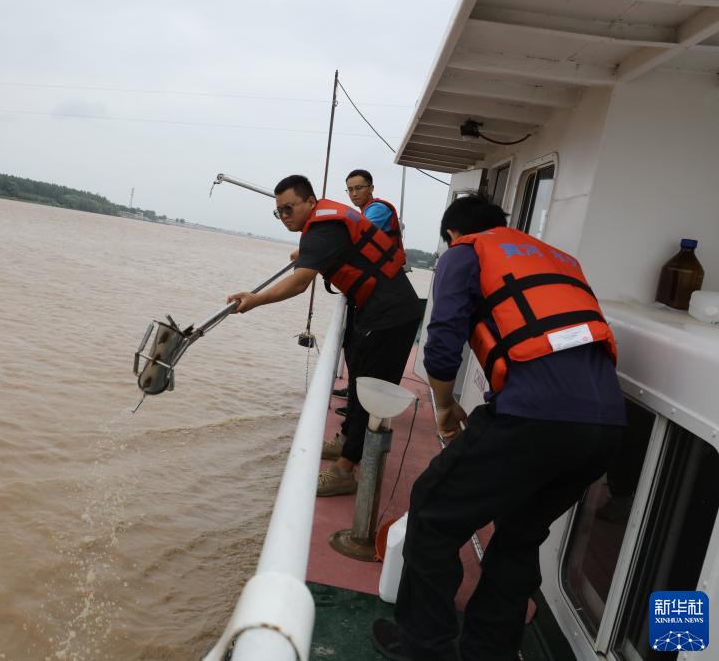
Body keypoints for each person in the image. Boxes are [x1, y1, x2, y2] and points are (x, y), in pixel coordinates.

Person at [371, 194, 626, 661]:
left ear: (454, 233)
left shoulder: (464, 252)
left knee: (432, 512)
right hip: (606, 426)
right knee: (520, 534)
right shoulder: (561, 261)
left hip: (533, 417)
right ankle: (490, 652)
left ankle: (422, 647)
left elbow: (442, 342)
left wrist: (444, 406)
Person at [227, 174, 424, 496]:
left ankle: (345, 470)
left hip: (391, 316)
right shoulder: (323, 228)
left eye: (290, 208)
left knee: (366, 391)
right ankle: (345, 439)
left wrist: (255, 299)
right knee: (358, 376)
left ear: (310, 202)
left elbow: (300, 281)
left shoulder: (322, 229)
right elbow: (325, 255)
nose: (285, 217)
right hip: (375, 309)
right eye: (280, 212)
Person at [325, 169, 407, 452]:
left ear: (371, 188)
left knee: (365, 366)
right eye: (350, 189)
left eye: (359, 187)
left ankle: (351, 446)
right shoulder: (362, 212)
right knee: (355, 356)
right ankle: (349, 428)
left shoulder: (378, 211)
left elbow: (353, 235)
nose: (354, 193)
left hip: (384, 296)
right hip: (369, 297)